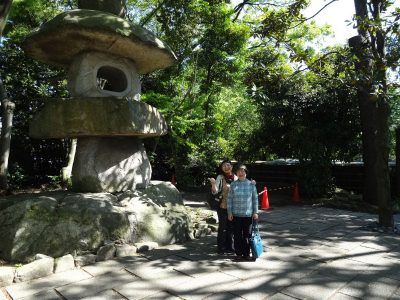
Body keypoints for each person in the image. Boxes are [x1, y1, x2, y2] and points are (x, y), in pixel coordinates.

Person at [227, 164, 258, 261]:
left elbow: (255, 199)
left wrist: (255, 212)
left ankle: (246, 253)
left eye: (243, 171)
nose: (241, 173)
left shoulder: (251, 184)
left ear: (246, 173)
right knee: (237, 235)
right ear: (236, 173)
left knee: (247, 235)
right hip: (236, 214)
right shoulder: (233, 184)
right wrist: (229, 212)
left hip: (248, 215)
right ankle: (238, 253)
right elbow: (229, 199)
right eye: (239, 171)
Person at [209, 159, 236, 254]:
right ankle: (221, 247)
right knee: (223, 227)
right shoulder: (220, 177)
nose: (226, 167)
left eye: (228, 165)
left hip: (233, 207)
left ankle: (230, 246)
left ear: (231, 167)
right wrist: (213, 184)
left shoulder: (236, 177)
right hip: (222, 206)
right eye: (223, 166)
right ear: (221, 168)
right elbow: (215, 191)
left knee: (231, 227)